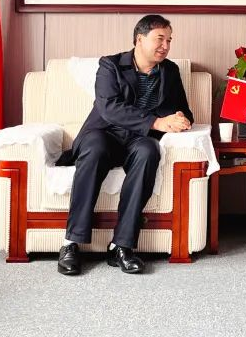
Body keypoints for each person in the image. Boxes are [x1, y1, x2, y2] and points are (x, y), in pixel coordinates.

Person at [57, 15, 193, 276]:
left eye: (169, 40)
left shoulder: (170, 71)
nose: (165, 46)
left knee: (149, 151)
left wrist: (181, 119)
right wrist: (156, 122)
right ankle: (71, 243)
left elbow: (183, 109)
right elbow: (109, 108)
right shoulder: (110, 65)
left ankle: (122, 246)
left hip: (139, 139)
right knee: (94, 150)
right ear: (139, 39)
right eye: (160, 39)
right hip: (103, 133)